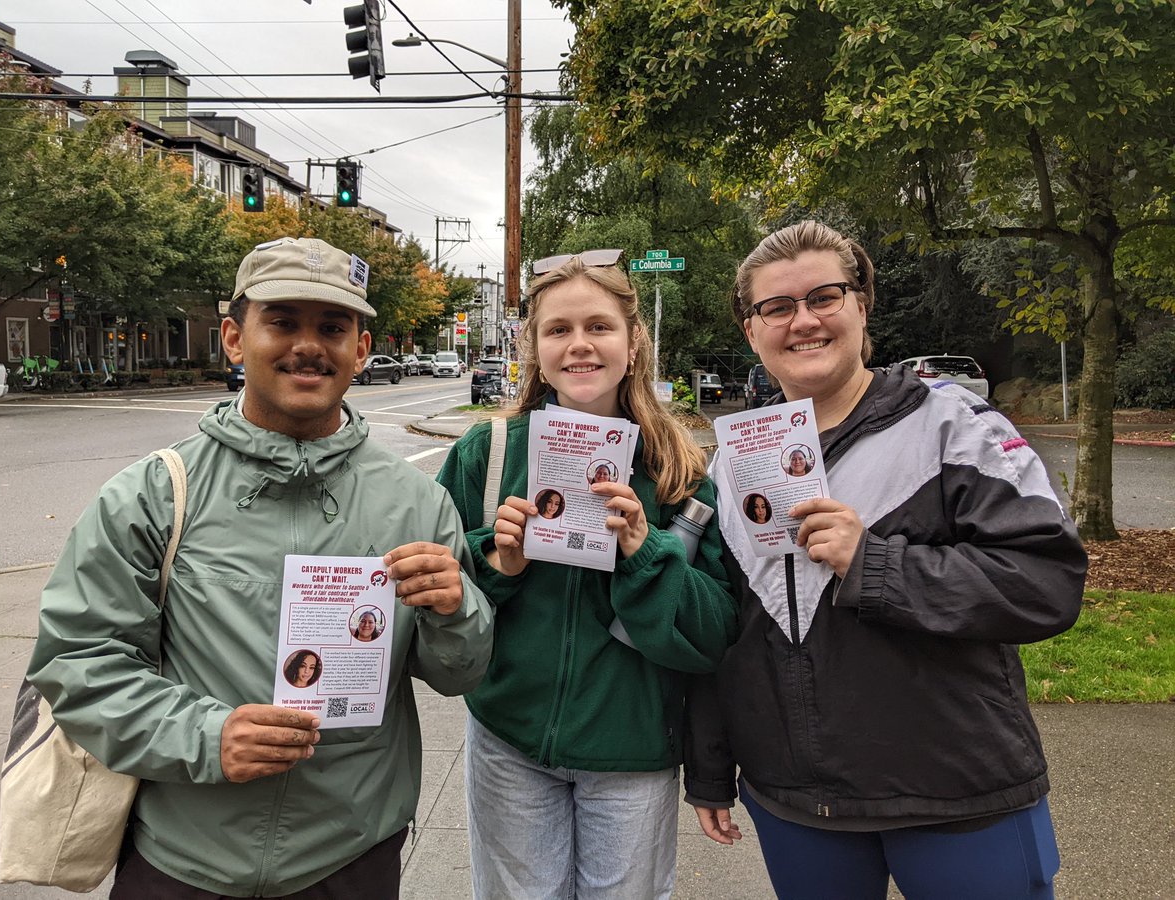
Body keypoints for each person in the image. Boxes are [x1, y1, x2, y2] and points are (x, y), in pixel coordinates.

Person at [28, 236, 494, 898]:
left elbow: (459, 673)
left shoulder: (419, 502)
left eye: (332, 327)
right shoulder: (156, 493)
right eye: (282, 322)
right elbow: (77, 665)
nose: (309, 344)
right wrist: (207, 735)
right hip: (183, 858)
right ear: (233, 338)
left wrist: (457, 610)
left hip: (351, 854)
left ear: (361, 349)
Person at [685, 221, 1086, 899]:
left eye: (824, 297)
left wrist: (872, 562)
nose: (802, 321)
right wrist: (710, 766)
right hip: (799, 805)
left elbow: (1046, 582)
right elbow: (730, 629)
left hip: (955, 797)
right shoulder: (733, 462)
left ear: (862, 306)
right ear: (751, 332)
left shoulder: (952, 424)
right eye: (777, 307)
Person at [436, 249, 739, 899]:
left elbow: (715, 632)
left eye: (598, 327)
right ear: (534, 347)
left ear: (633, 343)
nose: (579, 345)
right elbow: (431, 601)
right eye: (558, 329)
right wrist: (499, 562)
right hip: (509, 745)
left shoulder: (678, 475)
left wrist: (643, 550)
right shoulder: (485, 455)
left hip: (631, 753)